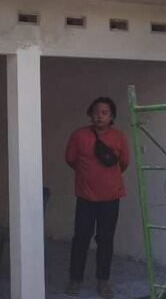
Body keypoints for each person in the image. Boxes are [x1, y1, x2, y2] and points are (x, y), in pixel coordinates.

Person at [64, 96, 130, 299]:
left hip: (111, 198)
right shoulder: (79, 135)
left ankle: (103, 281)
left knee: (106, 239)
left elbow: (124, 163)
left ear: (112, 116)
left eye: (104, 113)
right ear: (90, 114)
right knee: (81, 238)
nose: (100, 116)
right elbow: (71, 159)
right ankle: (75, 280)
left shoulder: (119, 137)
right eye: (96, 112)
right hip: (85, 197)